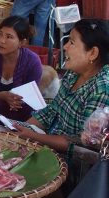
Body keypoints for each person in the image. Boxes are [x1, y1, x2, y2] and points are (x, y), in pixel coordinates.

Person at [14, 18, 109, 153]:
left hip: (75, 163)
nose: (65, 47)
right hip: (50, 141)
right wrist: (21, 127)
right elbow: (52, 110)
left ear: (92, 53)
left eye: (71, 42)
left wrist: (33, 136)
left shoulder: (102, 90)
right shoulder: (73, 74)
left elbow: (81, 144)